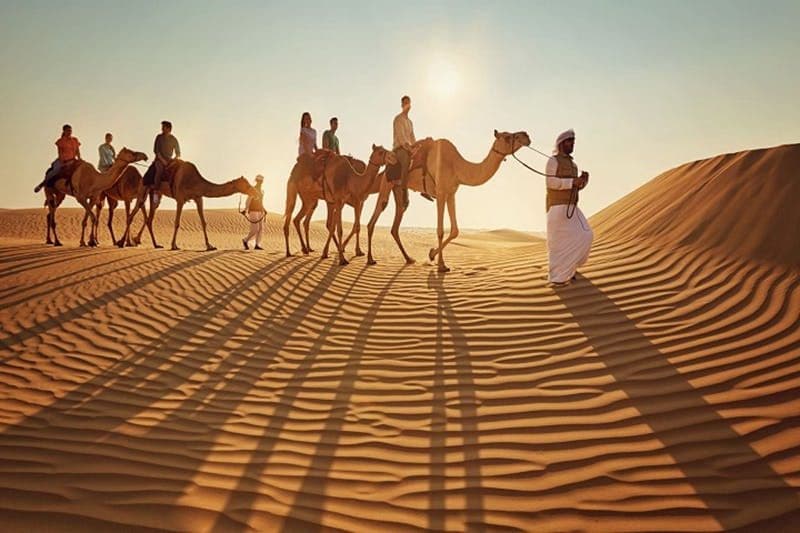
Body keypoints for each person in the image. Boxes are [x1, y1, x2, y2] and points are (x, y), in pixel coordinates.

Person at [544, 129, 593, 287]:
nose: (572, 143)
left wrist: (583, 181)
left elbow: (575, 188)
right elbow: (551, 183)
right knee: (558, 245)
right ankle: (558, 279)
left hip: (571, 207)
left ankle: (569, 269)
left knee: (586, 235)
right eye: (569, 141)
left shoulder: (573, 164)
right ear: (561, 143)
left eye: (573, 141)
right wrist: (573, 182)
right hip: (557, 207)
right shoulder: (553, 161)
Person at [34, 124, 81, 192]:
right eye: (68, 131)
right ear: (64, 131)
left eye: (70, 131)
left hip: (73, 160)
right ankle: (41, 185)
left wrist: (79, 159)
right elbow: (60, 153)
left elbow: (77, 151)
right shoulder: (61, 141)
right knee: (55, 171)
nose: (69, 132)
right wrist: (63, 162)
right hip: (63, 161)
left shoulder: (75, 140)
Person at [153, 120, 181, 201]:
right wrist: (163, 161)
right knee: (159, 171)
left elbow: (178, 152)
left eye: (163, 127)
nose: (162, 129)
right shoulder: (159, 137)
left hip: (170, 160)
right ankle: (156, 192)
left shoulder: (174, 139)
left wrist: (176, 159)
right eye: (162, 127)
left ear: (169, 129)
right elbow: (156, 151)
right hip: (159, 160)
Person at [241, 175, 266, 250]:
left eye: (261, 181)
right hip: (253, 211)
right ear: (256, 180)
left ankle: (257, 244)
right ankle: (245, 240)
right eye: (259, 181)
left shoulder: (262, 191)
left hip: (260, 211)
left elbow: (261, 202)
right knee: (255, 229)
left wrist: (264, 209)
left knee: (261, 228)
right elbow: (248, 200)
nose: (260, 182)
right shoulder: (252, 189)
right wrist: (245, 209)